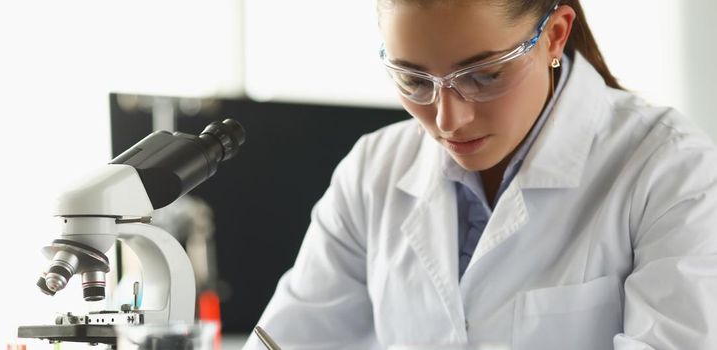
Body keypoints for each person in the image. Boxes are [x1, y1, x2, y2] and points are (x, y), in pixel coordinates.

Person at [244, 0, 717, 349]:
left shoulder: (670, 169)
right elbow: (293, 339)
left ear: (554, 35)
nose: (448, 120)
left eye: (484, 76)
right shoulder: (375, 170)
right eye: (413, 80)